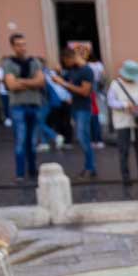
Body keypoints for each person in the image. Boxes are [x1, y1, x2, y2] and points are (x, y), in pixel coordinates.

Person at [1, 32, 46, 182]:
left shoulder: (35, 62)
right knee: (20, 140)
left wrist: (21, 81)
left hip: (34, 104)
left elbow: (41, 82)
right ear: (13, 46)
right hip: (17, 106)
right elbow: (11, 85)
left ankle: (33, 170)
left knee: (32, 141)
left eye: (24, 44)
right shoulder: (8, 63)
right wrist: (31, 81)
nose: (22, 47)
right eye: (19, 45)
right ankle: (20, 173)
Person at [51, 46, 97, 179]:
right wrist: (59, 75)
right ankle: (89, 167)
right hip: (75, 108)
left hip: (84, 108)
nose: (66, 65)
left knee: (83, 138)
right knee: (83, 138)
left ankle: (90, 167)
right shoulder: (73, 70)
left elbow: (85, 91)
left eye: (65, 62)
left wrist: (63, 84)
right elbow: (66, 81)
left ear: (69, 58)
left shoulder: (87, 70)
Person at [108, 59, 138, 189]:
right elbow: (111, 102)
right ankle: (126, 178)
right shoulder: (115, 84)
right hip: (122, 121)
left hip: (137, 119)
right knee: (123, 150)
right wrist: (126, 105)